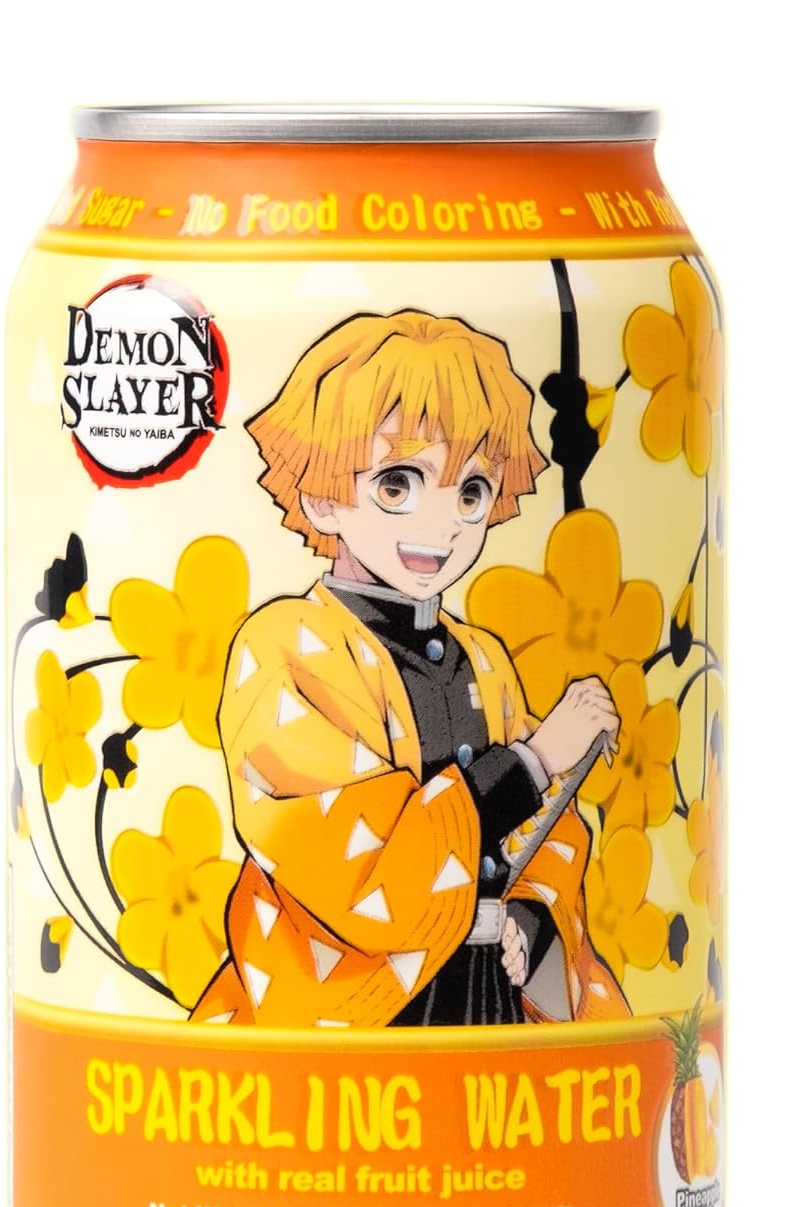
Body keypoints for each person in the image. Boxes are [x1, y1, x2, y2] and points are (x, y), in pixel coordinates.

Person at [190, 311, 629, 1028]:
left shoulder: (484, 658)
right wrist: (534, 761)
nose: (441, 525)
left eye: (471, 493)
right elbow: (347, 859)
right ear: (320, 496)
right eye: (397, 485)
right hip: (351, 1015)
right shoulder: (286, 646)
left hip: (485, 995)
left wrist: (527, 923)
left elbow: (551, 840)